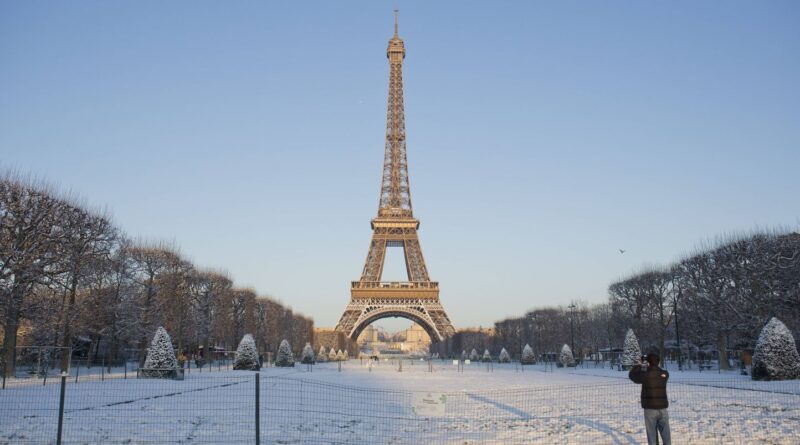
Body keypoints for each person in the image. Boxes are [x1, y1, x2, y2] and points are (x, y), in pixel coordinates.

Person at [629, 352, 671, 445]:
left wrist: (638, 365)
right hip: (663, 408)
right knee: (666, 434)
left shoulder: (645, 374)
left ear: (648, 362)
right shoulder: (665, 374)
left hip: (650, 409)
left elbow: (632, 376)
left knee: (652, 435)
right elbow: (659, 372)